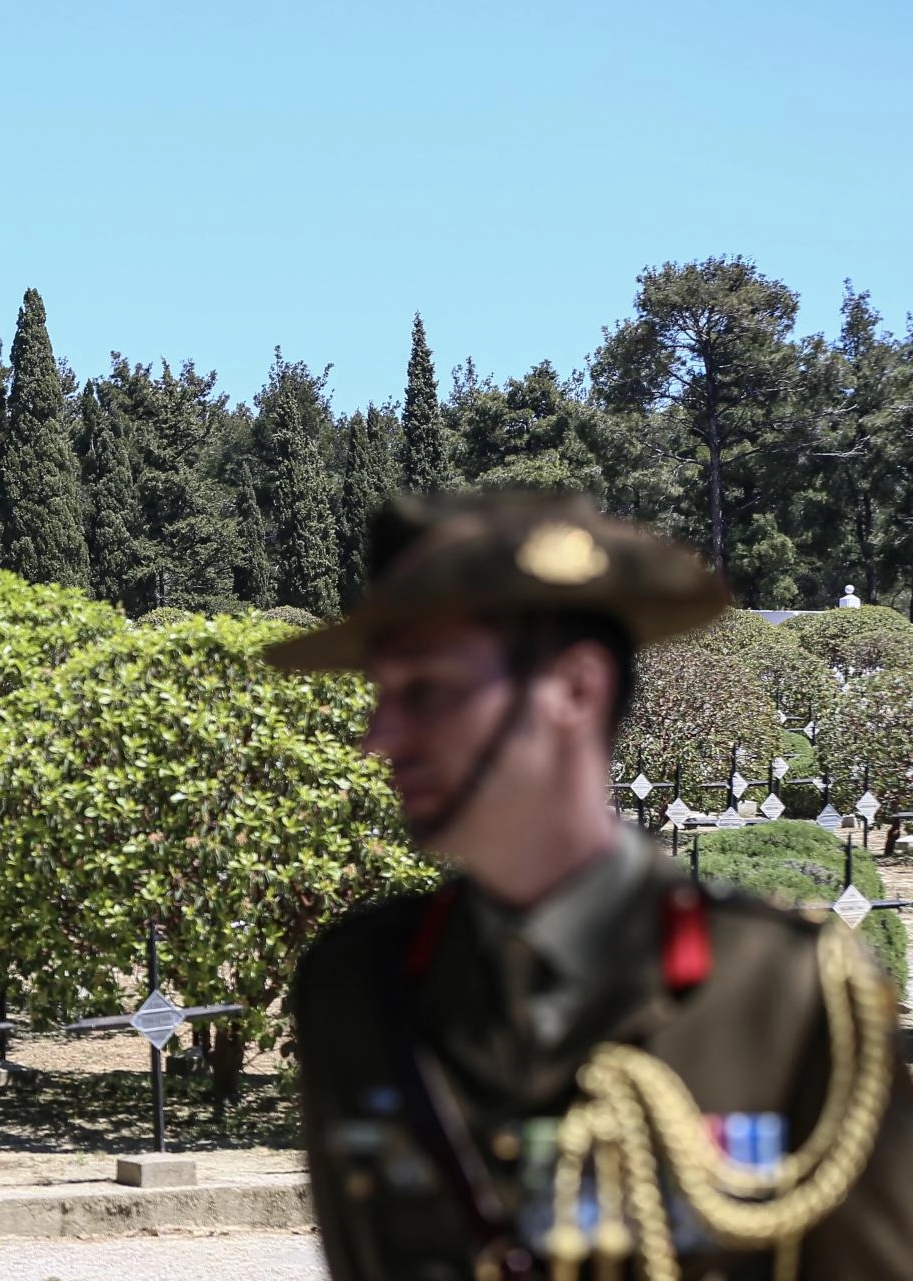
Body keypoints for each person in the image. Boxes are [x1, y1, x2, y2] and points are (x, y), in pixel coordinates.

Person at [267, 492, 913, 1281]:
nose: (380, 736)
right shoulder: (354, 986)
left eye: (426, 690)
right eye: (381, 691)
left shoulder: (786, 992)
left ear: (575, 689)